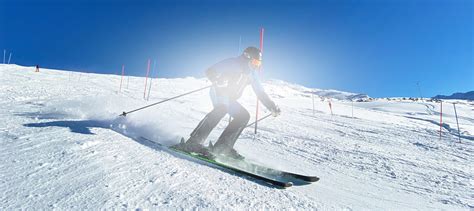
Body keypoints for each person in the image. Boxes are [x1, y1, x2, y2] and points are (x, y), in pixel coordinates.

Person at [176, 46, 281, 160]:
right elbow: (210, 71)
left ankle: (222, 148)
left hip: (230, 98)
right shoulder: (233, 63)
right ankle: (193, 143)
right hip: (219, 92)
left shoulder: (252, 74)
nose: (256, 65)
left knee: (243, 116)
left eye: (259, 63)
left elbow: (260, 93)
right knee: (222, 108)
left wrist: (271, 106)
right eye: (255, 62)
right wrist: (217, 80)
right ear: (247, 57)